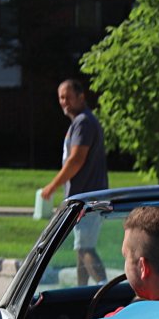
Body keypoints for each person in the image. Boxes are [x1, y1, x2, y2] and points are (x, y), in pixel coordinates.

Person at [41, 79, 109, 285]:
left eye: (69, 97)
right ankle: (83, 292)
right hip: (86, 196)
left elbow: (76, 160)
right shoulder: (81, 122)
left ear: (81, 97)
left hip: (88, 197)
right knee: (80, 249)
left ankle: (104, 288)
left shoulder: (83, 122)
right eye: (61, 97)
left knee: (84, 248)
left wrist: (52, 187)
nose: (64, 102)